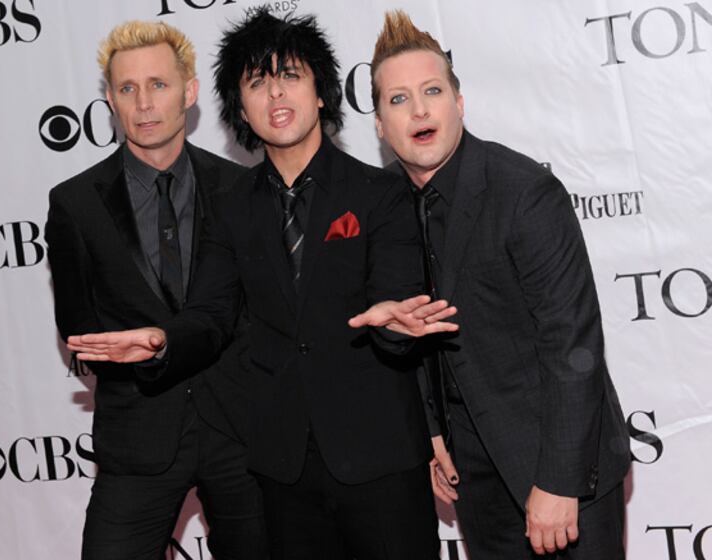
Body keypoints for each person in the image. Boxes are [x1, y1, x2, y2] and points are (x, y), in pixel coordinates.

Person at [68, 9, 458, 560]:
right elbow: (212, 313)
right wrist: (164, 341)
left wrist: (396, 326)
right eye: (256, 81)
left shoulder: (381, 193)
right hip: (280, 466)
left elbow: (395, 302)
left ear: (321, 91)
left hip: (379, 457)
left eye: (291, 75)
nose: (275, 93)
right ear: (240, 109)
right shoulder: (229, 207)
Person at [370, 11, 632, 559]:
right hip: (473, 470)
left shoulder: (522, 193)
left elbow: (572, 343)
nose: (418, 109)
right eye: (398, 99)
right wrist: (433, 434)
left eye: (432, 91)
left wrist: (560, 482)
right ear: (378, 123)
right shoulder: (384, 202)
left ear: (458, 104)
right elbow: (412, 338)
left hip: (558, 459)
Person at [44, 20, 267, 560]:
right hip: (138, 440)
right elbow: (78, 326)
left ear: (189, 93)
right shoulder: (75, 204)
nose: (144, 103)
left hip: (243, 437)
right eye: (127, 88)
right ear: (111, 101)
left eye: (159, 85)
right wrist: (128, 350)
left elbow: (260, 312)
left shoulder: (244, 189)